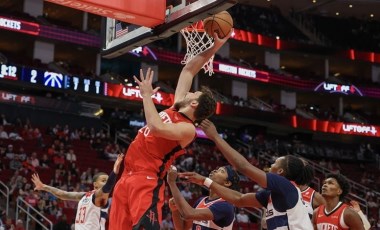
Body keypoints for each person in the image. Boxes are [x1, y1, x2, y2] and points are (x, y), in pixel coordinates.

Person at [109, 31, 231, 230]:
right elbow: (188, 71)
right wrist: (215, 47)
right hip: (126, 177)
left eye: (194, 92)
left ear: (193, 103)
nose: (190, 90)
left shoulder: (187, 129)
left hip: (146, 179)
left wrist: (147, 95)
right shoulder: (176, 106)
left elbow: (156, 128)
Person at [190, 119, 313, 230]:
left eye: (274, 163)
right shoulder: (273, 194)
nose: (270, 166)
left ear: (280, 171)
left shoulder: (285, 185)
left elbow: (243, 166)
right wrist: (205, 181)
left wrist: (216, 137)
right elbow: (239, 199)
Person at [31, 154, 123, 230]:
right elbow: (63, 194)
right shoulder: (92, 195)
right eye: (103, 180)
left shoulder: (85, 196)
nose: (106, 183)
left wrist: (44, 186)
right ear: (95, 184)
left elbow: (63, 194)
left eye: (106, 180)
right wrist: (114, 171)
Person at [167, 165, 240, 230]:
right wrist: (175, 210)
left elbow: (188, 214)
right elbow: (183, 228)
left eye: (221, 171)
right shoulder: (200, 201)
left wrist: (172, 183)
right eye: (217, 169)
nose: (215, 170)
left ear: (227, 183)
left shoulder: (225, 205)